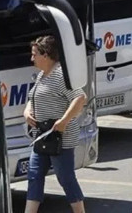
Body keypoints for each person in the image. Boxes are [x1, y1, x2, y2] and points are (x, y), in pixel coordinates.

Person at [24, 36, 87, 213]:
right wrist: (27, 111)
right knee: (34, 175)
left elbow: (80, 97)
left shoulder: (61, 75)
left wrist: (64, 121)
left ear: (45, 55)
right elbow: (32, 97)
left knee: (65, 177)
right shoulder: (42, 75)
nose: (32, 59)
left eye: (34, 54)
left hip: (60, 138)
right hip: (42, 135)